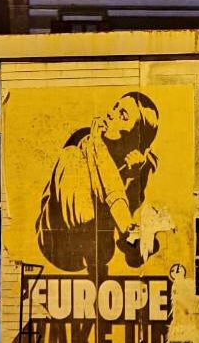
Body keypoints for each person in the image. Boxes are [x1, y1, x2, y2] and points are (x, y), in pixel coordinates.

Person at [36, 92, 160, 280]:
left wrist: (132, 180)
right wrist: (96, 141)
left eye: (123, 115)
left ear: (136, 139)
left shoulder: (135, 167)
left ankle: (129, 236)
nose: (111, 114)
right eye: (116, 107)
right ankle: (130, 235)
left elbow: (122, 206)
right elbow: (98, 166)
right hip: (56, 240)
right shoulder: (85, 138)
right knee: (72, 155)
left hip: (97, 249)